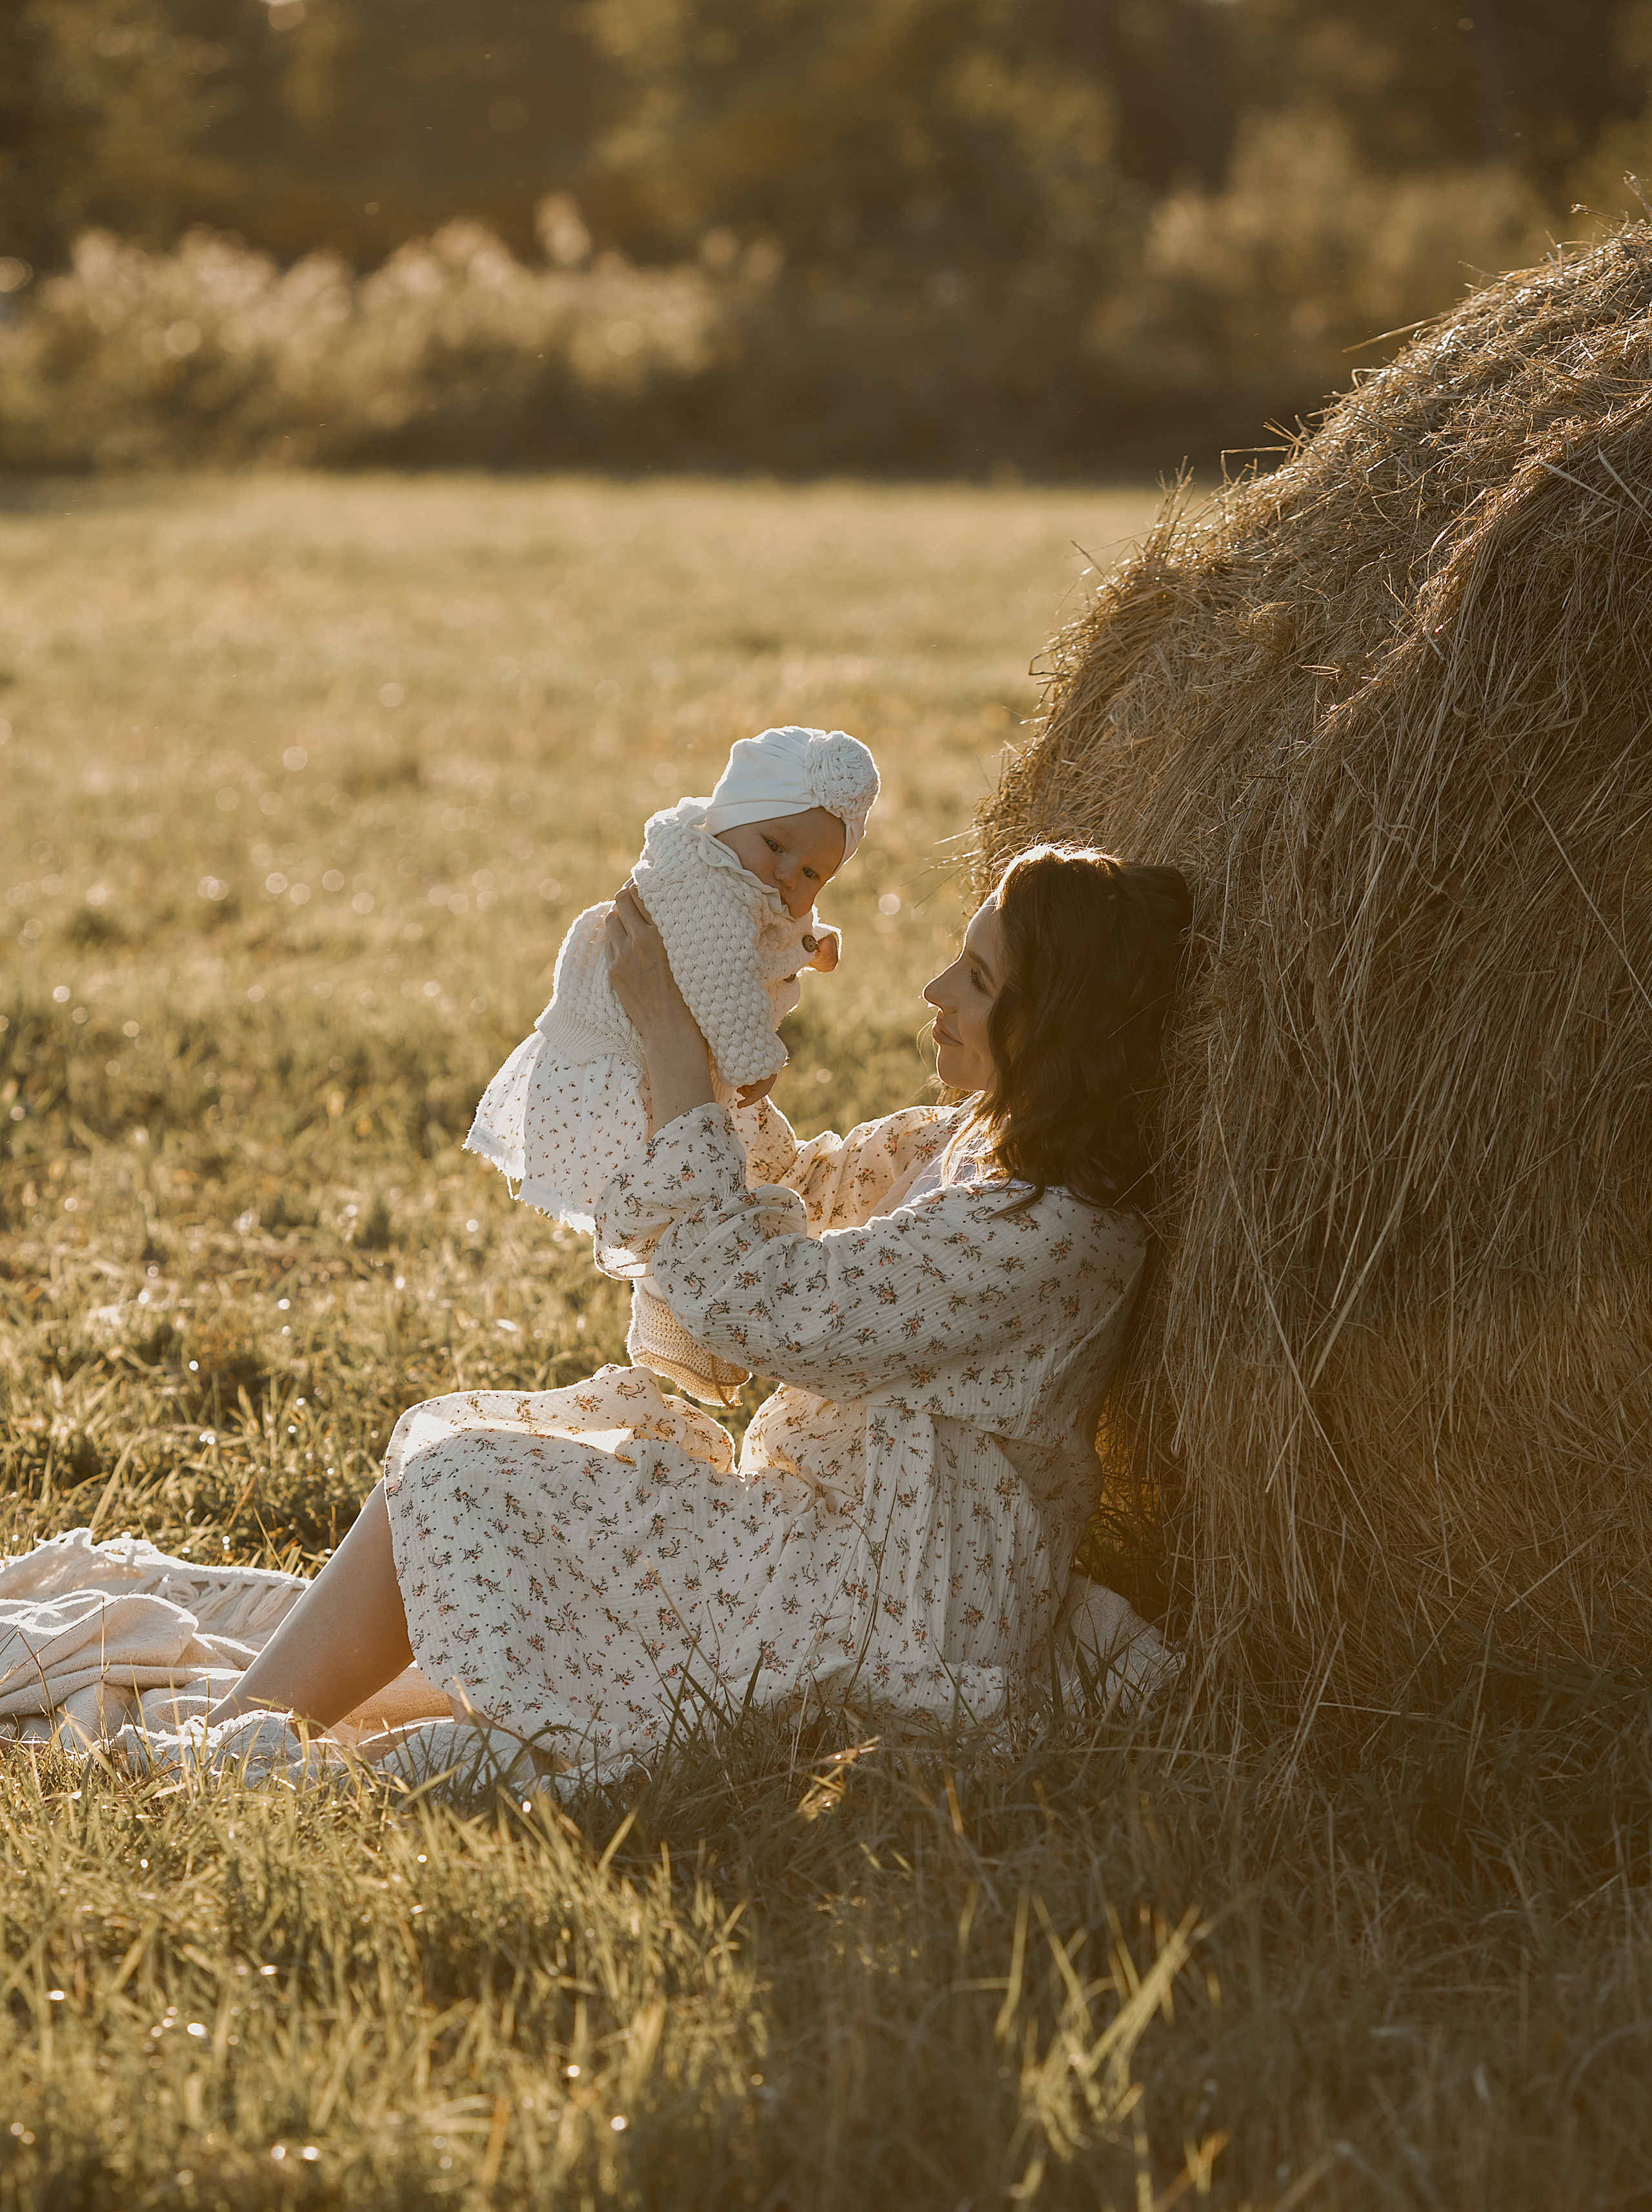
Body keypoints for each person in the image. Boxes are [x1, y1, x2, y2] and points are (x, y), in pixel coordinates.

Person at [206, 845, 1193, 1763]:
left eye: (977, 981)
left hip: (886, 1602)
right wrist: (727, 1028)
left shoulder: (1053, 1234)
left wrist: (678, 1056)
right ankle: (239, 1732)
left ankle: (226, 1748)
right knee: (478, 1483)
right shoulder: (968, 1140)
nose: (935, 992)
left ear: (1057, 1028)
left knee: (467, 1476)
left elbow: (765, 1305)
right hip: (820, 1545)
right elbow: (801, 1190)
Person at [466, 723, 879, 1400]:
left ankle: (686, 1310)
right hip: (626, 1071)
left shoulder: (733, 866)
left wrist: (811, 940)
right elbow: (720, 981)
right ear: (731, 817)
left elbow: (769, 927)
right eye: (776, 846)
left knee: (700, 1188)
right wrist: (754, 1059)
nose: (785, 875)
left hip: (666, 1067)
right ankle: (677, 1323)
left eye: (812, 872)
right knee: (674, 1202)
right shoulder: (704, 885)